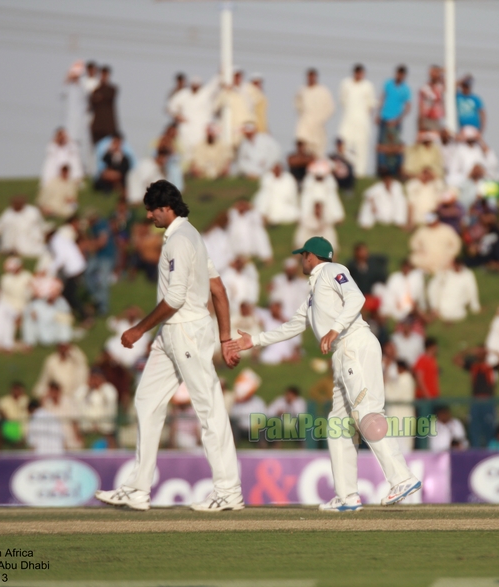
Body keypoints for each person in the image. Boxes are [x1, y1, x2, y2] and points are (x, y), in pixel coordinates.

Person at [233, 237, 421, 511]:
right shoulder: (312, 294)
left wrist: (334, 329)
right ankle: (347, 496)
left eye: (303, 255)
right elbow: (293, 326)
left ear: (312, 256)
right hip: (342, 354)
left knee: (366, 413)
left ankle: (402, 478)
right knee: (338, 425)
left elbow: (357, 298)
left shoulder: (333, 271)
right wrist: (256, 340)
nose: (300, 259)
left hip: (354, 344)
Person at [95, 180, 243, 512]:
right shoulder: (192, 236)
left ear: (167, 208)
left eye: (151, 209)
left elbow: (175, 298)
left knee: (208, 408)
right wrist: (224, 338)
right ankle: (137, 488)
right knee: (146, 399)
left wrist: (138, 330)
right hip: (174, 332)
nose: (148, 216)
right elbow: (217, 289)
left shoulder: (179, 239)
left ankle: (228, 490)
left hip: (185, 330)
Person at [338, 64, 377, 177]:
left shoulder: (368, 85)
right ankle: (345, 171)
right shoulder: (346, 83)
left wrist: (364, 117)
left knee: (362, 146)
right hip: (348, 119)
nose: (359, 75)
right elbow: (343, 100)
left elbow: (371, 104)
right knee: (345, 144)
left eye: (361, 73)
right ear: (354, 73)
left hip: (362, 120)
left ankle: (360, 172)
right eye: (357, 73)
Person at [295, 68, 335, 158]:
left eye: (313, 76)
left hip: (318, 125)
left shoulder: (323, 91)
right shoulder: (302, 90)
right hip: (305, 124)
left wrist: (321, 119)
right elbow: (298, 106)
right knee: (303, 145)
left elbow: (330, 108)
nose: (311, 78)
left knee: (318, 150)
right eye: (309, 76)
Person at [427, 258, 480, 322]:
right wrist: (434, 307)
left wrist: (475, 306)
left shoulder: (468, 274)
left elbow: (472, 291)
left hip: (458, 308)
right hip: (442, 306)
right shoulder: (444, 272)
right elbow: (433, 288)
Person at [89, 65, 119, 145]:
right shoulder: (96, 90)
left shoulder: (112, 89)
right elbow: (92, 101)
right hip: (97, 126)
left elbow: (108, 96)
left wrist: (100, 97)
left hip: (109, 126)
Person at [418, 65, 445, 132]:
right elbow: (421, 105)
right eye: (432, 72)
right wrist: (421, 121)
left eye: (436, 72)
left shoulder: (441, 87)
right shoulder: (425, 88)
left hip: (439, 119)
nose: (433, 74)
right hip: (428, 119)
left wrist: (442, 71)